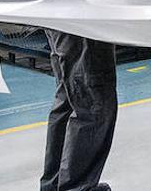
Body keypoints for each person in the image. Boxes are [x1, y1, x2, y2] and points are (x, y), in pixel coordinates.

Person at [40, 31, 117, 191]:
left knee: (69, 97)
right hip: (81, 25)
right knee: (92, 102)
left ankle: (55, 185)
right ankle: (77, 187)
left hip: (57, 19)